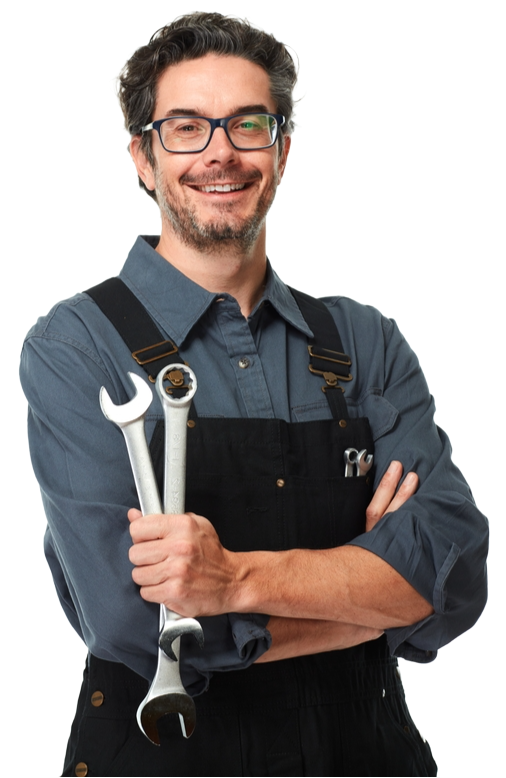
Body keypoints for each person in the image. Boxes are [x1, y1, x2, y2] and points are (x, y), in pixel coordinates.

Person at [18, 10, 489, 777]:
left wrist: (234, 579)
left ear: (284, 147)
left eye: (248, 124)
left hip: (366, 757)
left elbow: (459, 571)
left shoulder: (364, 342)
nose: (220, 154)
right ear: (142, 156)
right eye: (185, 128)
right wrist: (371, 599)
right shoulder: (76, 344)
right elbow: (137, 625)